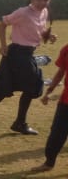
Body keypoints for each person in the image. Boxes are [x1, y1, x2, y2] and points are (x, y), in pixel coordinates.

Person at [0, 0, 57, 135]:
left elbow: (39, 30)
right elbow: (2, 24)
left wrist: (48, 36)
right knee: (33, 84)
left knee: (7, 87)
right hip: (17, 54)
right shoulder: (23, 12)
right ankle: (19, 123)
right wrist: (3, 45)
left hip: (27, 54)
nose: (42, 2)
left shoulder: (44, 12)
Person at [36, 42, 68, 170]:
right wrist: (49, 91)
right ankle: (49, 162)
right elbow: (61, 72)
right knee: (57, 132)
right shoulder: (66, 49)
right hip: (66, 100)